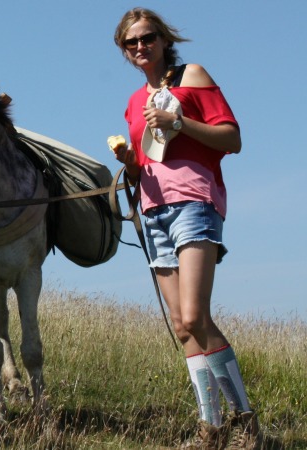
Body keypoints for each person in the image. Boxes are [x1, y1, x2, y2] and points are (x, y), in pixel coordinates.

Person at [111, 8, 262, 450]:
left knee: (196, 315)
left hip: (194, 201)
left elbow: (232, 138)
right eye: (130, 43)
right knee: (182, 326)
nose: (140, 47)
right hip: (152, 209)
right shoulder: (134, 102)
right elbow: (147, 164)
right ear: (124, 51)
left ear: (163, 39)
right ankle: (210, 429)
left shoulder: (191, 76)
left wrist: (179, 122)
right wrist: (130, 165)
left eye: (147, 38)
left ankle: (246, 424)